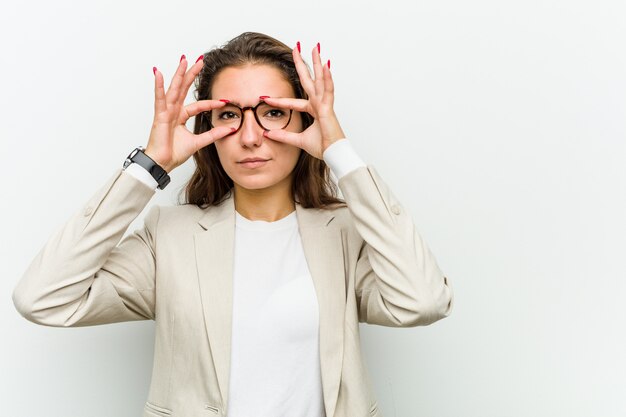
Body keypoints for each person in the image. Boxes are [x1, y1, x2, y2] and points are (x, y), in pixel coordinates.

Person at [12, 32, 453, 417]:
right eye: (229, 115)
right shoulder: (169, 236)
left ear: (304, 119)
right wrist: (149, 168)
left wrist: (338, 149)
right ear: (210, 129)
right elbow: (44, 298)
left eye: (272, 112)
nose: (249, 135)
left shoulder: (345, 235)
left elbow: (422, 301)